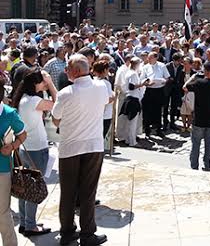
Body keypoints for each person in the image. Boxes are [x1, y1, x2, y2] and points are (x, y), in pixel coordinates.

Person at [51, 54, 111, 246]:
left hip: (70, 147)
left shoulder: (66, 93)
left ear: (75, 71)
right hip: (93, 146)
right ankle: (87, 234)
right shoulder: (101, 87)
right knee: (88, 192)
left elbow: (55, 118)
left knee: (68, 192)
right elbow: (107, 100)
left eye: (68, 68)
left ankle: (68, 232)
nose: (65, 71)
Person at [11, 69, 56, 237]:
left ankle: (25, 222)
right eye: (42, 81)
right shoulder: (35, 100)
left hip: (26, 148)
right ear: (35, 84)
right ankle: (30, 225)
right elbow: (57, 104)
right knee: (34, 189)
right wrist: (51, 84)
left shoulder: (23, 100)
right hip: (37, 149)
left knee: (24, 187)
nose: (44, 83)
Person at [0, 90, 27, 246]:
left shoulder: (10, 113)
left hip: (2, 169)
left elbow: (22, 135)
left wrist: (12, 146)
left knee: (3, 213)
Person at [185, 61, 210, 171]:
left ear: (204, 70)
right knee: (209, 144)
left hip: (199, 118)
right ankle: (207, 165)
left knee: (196, 144)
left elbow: (185, 87)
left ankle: (194, 165)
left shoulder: (199, 82)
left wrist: (193, 76)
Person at [119, 58, 148, 147]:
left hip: (129, 99)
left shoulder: (129, 73)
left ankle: (128, 140)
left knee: (128, 121)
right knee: (132, 122)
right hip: (133, 99)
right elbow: (131, 86)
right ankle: (132, 142)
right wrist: (143, 84)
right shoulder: (133, 74)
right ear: (136, 64)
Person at [140, 52, 170, 137]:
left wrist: (164, 81)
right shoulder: (145, 67)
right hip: (149, 90)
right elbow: (142, 79)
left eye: (150, 58)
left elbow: (167, 77)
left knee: (158, 110)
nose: (148, 60)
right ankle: (147, 129)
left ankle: (158, 129)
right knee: (147, 110)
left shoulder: (162, 66)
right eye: (148, 58)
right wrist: (147, 83)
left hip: (159, 90)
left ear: (156, 58)